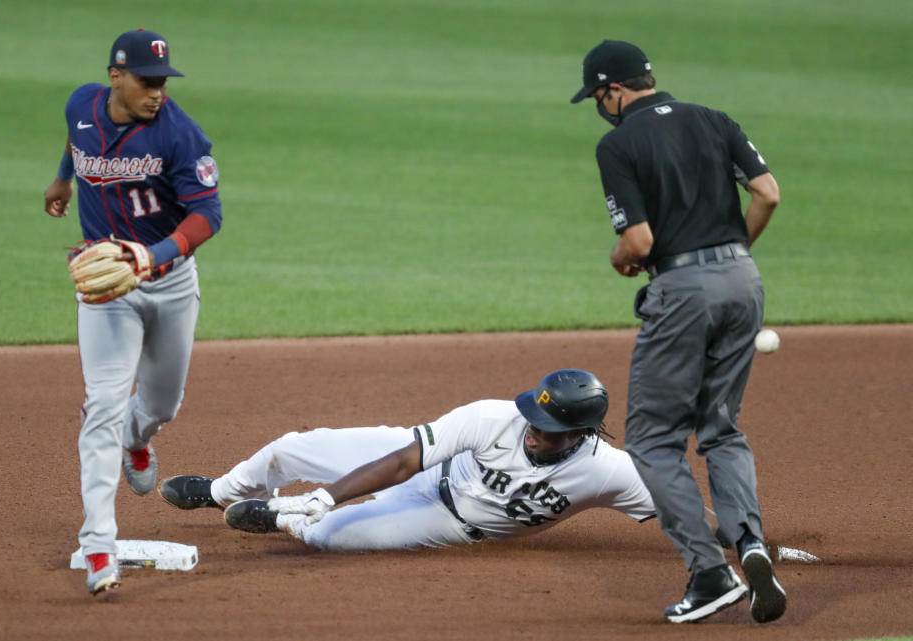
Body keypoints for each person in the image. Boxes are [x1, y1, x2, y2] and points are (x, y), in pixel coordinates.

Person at [570, 40, 785, 624]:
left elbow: (638, 242)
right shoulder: (714, 119)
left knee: (652, 440)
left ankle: (710, 571)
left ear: (612, 89)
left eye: (597, 95)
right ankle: (752, 543)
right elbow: (768, 193)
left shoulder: (618, 143)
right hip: (744, 280)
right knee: (720, 427)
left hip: (683, 292)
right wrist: (731, 252)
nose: (599, 105)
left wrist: (621, 258)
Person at [42, 29, 223, 595]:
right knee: (101, 405)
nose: (157, 92)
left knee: (163, 400)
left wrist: (153, 254)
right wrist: (64, 179)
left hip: (168, 284)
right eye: (147, 81)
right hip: (107, 294)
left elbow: (207, 216)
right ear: (115, 75)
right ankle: (99, 546)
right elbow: (78, 143)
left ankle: (138, 436)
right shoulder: (82, 105)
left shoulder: (180, 135)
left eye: (163, 82)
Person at [157, 369, 658, 552]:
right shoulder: (492, 417)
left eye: (548, 432)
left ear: (580, 434)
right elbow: (403, 461)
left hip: (447, 521)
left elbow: (685, 513)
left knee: (327, 536)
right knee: (289, 449)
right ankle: (222, 490)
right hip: (425, 468)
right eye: (534, 420)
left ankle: (287, 519)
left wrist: (741, 542)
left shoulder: (609, 470)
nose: (534, 433)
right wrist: (325, 492)